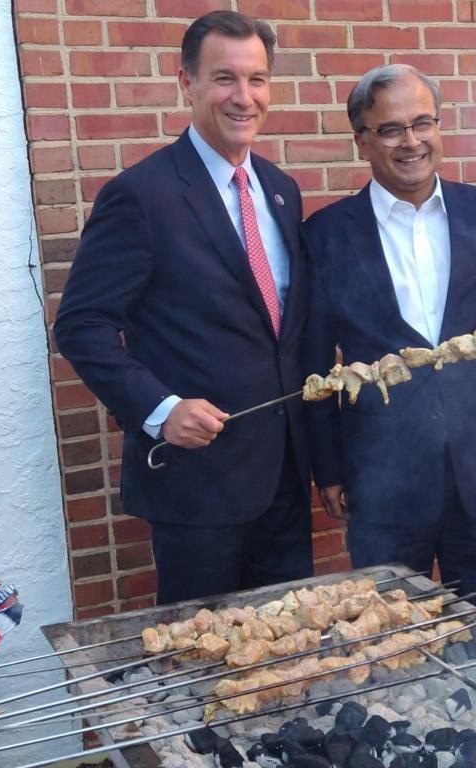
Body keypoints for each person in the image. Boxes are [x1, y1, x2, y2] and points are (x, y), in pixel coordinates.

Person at [53, 11, 311, 604]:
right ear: (186, 83)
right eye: (224, 78)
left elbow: (279, 334)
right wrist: (160, 408)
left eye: (257, 80)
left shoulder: (280, 190)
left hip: (284, 482)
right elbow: (81, 325)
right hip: (199, 488)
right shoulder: (141, 196)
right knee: (203, 669)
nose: (243, 97)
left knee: (290, 661)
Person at [302, 64, 476, 611]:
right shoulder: (326, 236)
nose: (412, 141)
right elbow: (311, 361)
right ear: (363, 140)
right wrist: (327, 468)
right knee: (390, 635)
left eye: (423, 122)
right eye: (391, 128)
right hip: (381, 482)